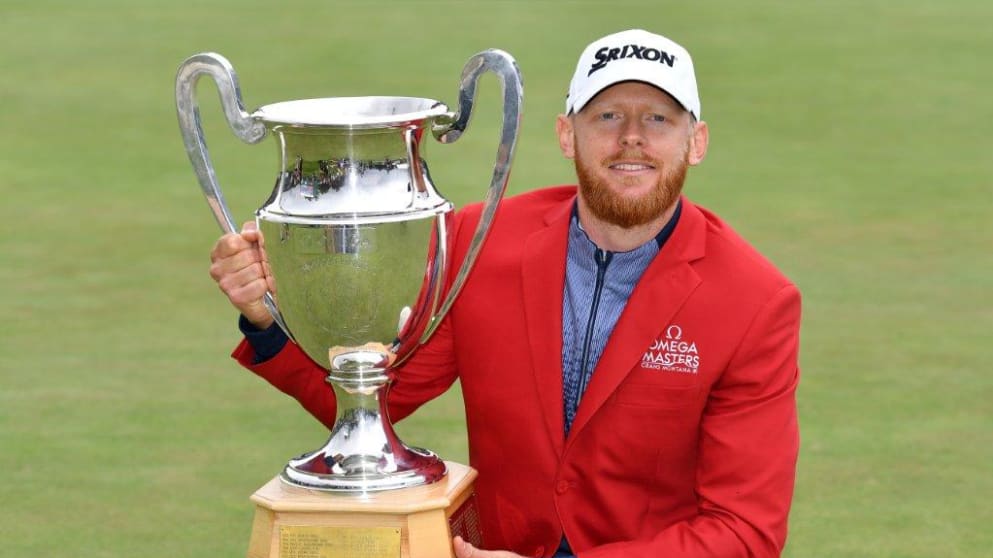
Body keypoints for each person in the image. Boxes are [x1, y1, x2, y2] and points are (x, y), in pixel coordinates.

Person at [209, 29, 802, 558]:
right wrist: (264, 315)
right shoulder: (480, 240)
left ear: (695, 142)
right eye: (607, 117)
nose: (631, 139)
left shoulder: (755, 300)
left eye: (658, 120)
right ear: (567, 135)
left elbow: (744, 531)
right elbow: (370, 410)